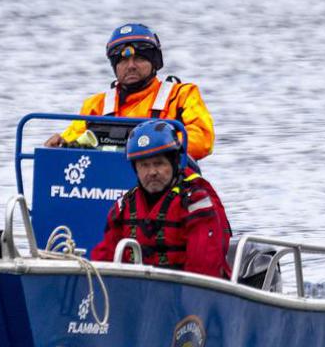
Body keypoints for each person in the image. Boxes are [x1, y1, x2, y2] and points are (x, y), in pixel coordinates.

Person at [44, 23, 215, 160]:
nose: (131, 66)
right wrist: (59, 146)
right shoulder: (96, 105)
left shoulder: (181, 95)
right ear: (115, 66)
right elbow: (71, 141)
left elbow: (203, 140)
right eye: (123, 60)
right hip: (103, 185)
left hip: (163, 188)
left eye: (139, 59)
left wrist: (154, 146)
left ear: (154, 62)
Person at [93, 119, 232, 278]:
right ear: (135, 169)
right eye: (144, 165)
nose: (152, 172)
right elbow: (102, 263)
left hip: (184, 294)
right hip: (138, 295)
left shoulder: (195, 203)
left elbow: (204, 270)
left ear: (174, 163)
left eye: (158, 163)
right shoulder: (123, 207)